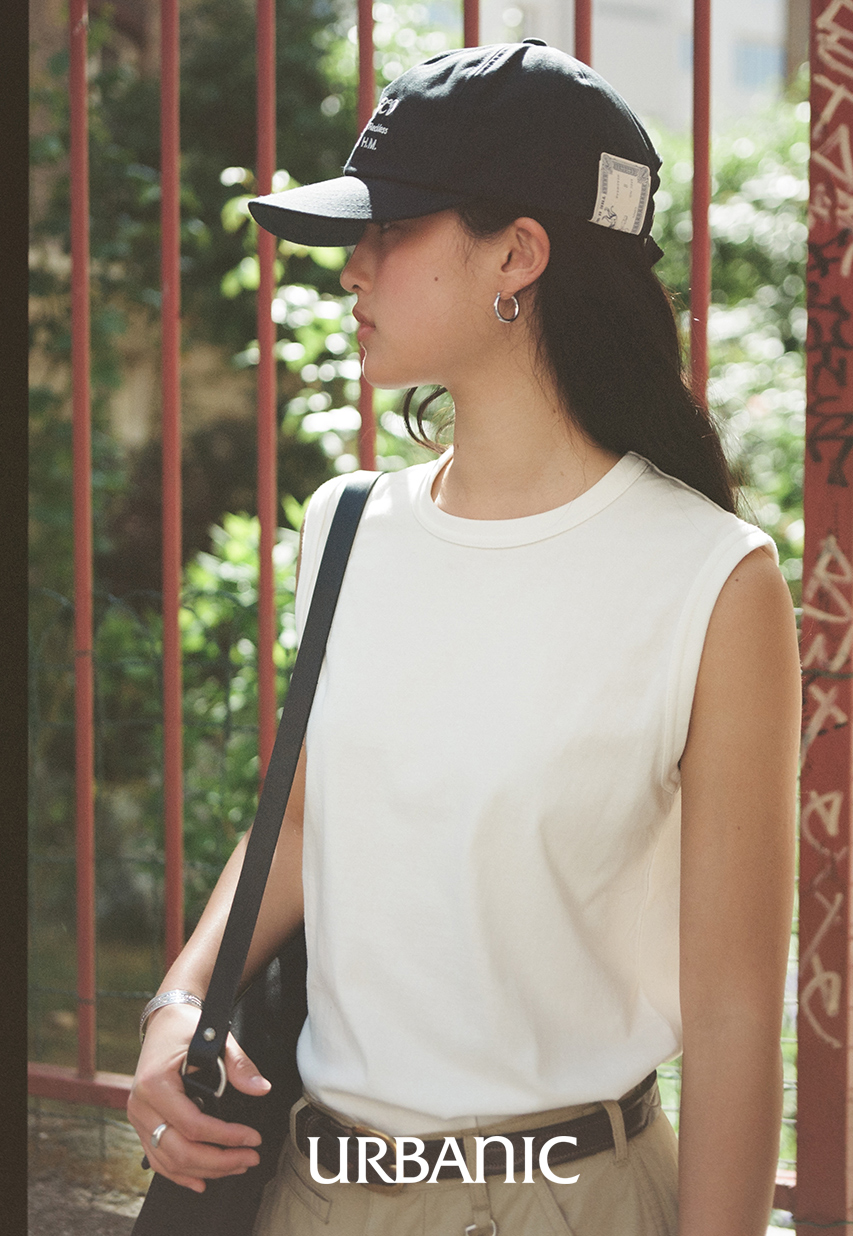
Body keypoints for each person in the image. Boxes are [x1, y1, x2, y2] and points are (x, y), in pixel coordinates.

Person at [128, 39, 801, 1236]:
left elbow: (737, 1016)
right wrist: (177, 1001)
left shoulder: (712, 581)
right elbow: (302, 824)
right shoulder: (347, 529)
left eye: (390, 230)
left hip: (567, 1204)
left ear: (517, 256)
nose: (352, 268)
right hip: (315, 1195)